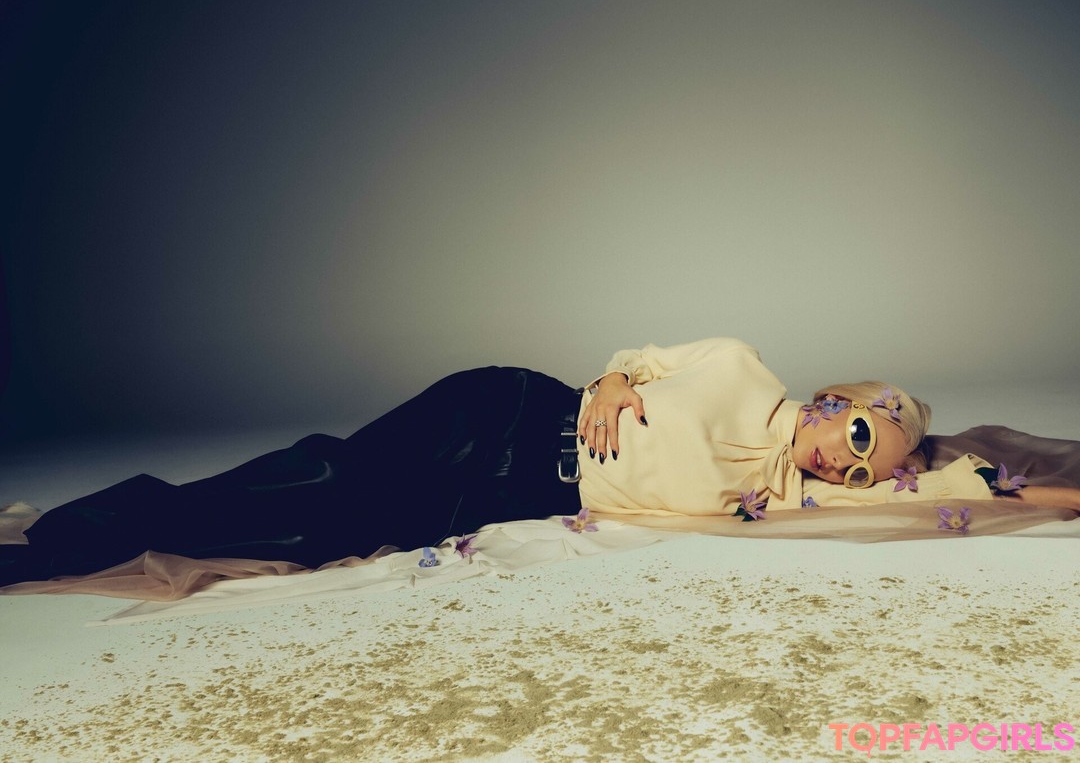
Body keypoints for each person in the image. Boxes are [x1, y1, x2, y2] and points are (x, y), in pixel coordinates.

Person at [1, 337, 1076, 587]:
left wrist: (1036, 489)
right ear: (839, 401)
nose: (852, 471)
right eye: (859, 440)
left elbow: (973, 488)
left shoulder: (785, 493)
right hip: (509, 414)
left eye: (867, 471)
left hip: (506, 489)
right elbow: (634, 362)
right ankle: (61, 538)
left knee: (311, 535)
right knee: (322, 480)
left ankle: (98, 527)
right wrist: (608, 381)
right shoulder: (741, 365)